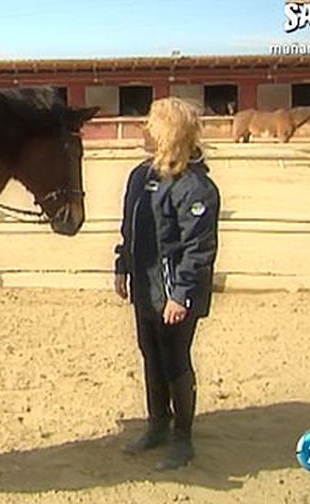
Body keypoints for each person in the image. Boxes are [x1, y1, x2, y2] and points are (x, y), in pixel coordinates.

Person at [113, 97, 220, 470]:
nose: (144, 130)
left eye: (152, 124)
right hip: (145, 287)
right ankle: (157, 425)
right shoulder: (141, 177)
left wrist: (182, 294)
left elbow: (199, 248)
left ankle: (182, 438)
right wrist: (122, 266)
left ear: (169, 132)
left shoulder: (195, 187)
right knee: (150, 355)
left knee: (175, 361)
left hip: (174, 294)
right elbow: (130, 230)